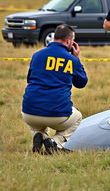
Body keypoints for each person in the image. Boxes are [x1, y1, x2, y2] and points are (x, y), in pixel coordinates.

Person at [22, 24, 88, 154]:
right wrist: (76, 58)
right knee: (78, 116)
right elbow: (81, 83)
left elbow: (29, 79)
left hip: (29, 114)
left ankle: (40, 134)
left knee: (38, 107)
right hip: (57, 115)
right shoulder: (71, 60)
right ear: (69, 41)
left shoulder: (37, 55)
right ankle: (56, 141)